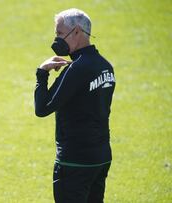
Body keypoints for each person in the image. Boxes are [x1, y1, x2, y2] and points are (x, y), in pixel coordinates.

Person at [34, 8, 115, 203]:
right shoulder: (106, 66)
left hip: (75, 161)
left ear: (77, 32)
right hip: (101, 158)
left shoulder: (77, 69)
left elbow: (42, 108)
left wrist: (42, 73)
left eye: (60, 34)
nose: (56, 40)